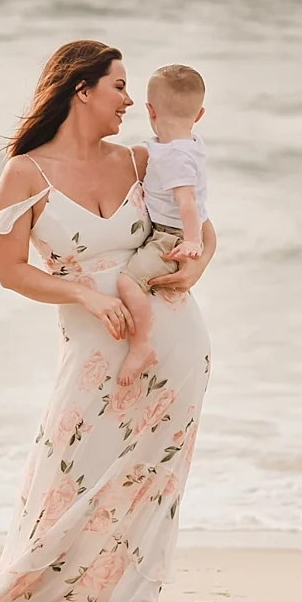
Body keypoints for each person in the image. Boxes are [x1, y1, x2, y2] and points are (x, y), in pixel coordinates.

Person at [0, 41, 215, 602]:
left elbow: (202, 229)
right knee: (71, 463)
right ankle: (49, 590)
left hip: (176, 338)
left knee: (154, 476)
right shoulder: (27, 172)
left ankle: (129, 599)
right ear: (80, 89)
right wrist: (84, 293)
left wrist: (197, 265)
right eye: (118, 86)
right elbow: (10, 270)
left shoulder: (142, 160)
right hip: (92, 343)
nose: (130, 100)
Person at [114, 64, 210, 388]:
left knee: (128, 283)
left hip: (171, 238)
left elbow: (187, 203)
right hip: (175, 232)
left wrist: (194, 242)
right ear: (199, 115)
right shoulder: (191, 145)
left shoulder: (172, 156)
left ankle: (141, 345)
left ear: (149, 110)